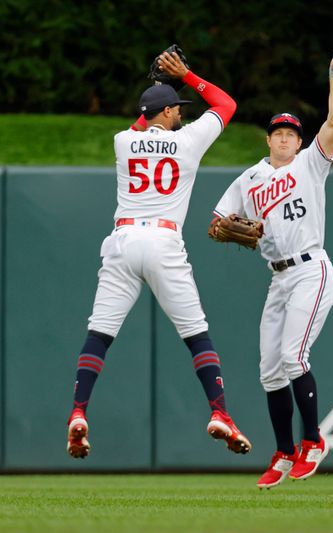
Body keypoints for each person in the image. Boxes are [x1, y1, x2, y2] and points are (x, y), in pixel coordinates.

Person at [66, 50, 251, 459]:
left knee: (100, 332)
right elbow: (226, 104)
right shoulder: (188, 141)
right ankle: (219, 412)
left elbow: (142, 124)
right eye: (176, 109)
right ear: (166, 112)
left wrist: (157, 98)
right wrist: (187, 76)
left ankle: (78, 412)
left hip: (122, 242)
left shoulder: (123, 141)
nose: (181, 114)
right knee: (195, 333)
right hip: (164, 243)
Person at [210, 46, 333, 489]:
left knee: (293, 357)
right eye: (279, 132)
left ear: (299, 140)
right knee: (270, 370)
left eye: (292, 133)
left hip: (312, 269)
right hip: (278, 277)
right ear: (268, 139)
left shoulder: (311, 164)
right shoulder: (249, 179)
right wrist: (226, 229)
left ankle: (313, 441)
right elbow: (216, 223)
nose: (286, 138)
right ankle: (284, 452)